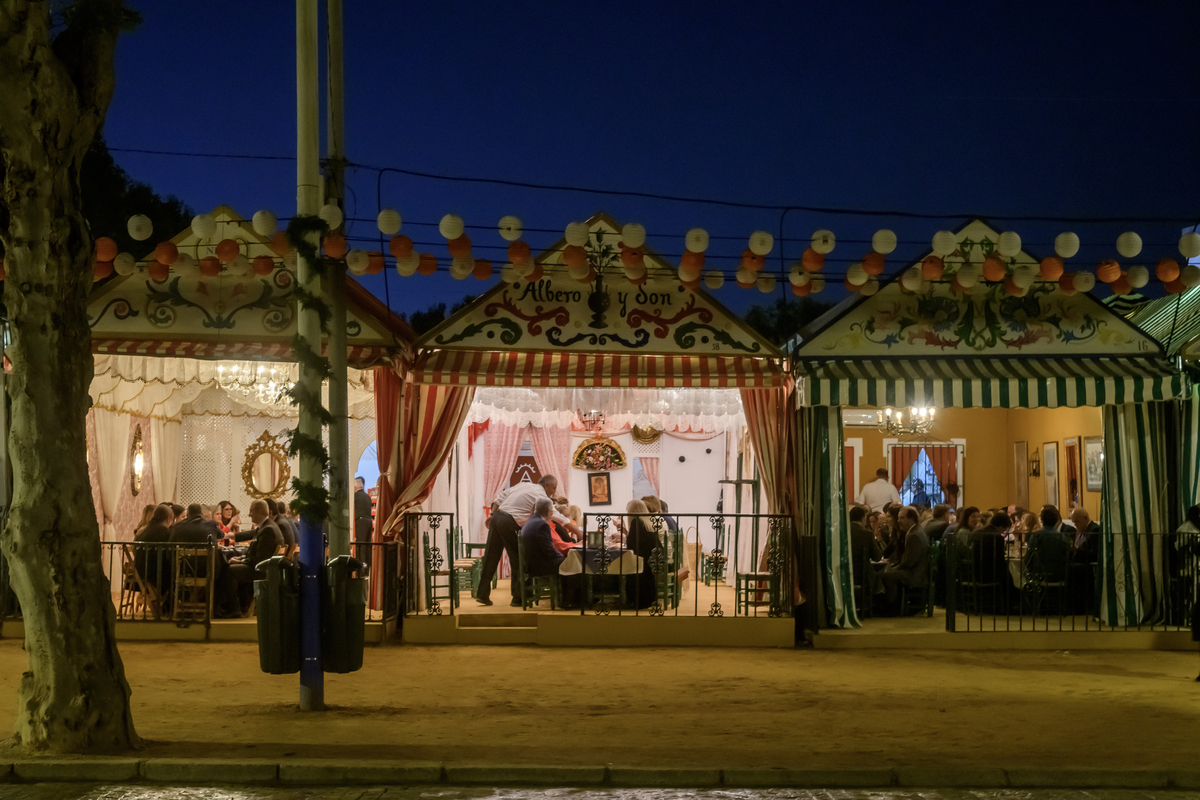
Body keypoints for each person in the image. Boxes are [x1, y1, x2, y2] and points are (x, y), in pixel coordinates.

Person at [476, 475, 580, 607]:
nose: (553, 492)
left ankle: (482, 594)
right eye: (553, 488)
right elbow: (561, 518)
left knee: (490, 556)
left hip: (498, 517)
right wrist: (580, 533)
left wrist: (492, 515)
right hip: (509, 522)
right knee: (518, 559)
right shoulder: (540, 495)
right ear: (546, 485)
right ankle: (517, 598)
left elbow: (499, 498)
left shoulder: (523, 485)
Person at [226, 500, 285, 613]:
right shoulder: (266, 526)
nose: (249, 514)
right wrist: (240, 559)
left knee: (229, 570)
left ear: (258, 511)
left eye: (251, 511)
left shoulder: (268, 529)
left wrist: (241, 561)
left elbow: (260, 559)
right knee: (232, 566)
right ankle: (242, 604)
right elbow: (255, 553)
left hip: (261, 570)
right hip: (263, 567)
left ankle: (232, 609)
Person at [879, 506, 929, 613]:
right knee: (888, 572)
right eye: (898, 518)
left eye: (902, 518)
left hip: (915, 575)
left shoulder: (914, 535)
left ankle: (893, 608)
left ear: (911, 519)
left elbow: (908, 562)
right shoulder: (914, 532)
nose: (898, 521)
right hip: (916, 571)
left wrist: (894, 569)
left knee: (886, 575)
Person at [517, 497, 565, 596]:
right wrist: (563, 558)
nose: (552, 513)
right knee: (570, 565)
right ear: (548, 511)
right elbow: (549, 552)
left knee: (566, 562)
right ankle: (568, 599)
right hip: (539, 566)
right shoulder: (542, 525)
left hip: (531, 564)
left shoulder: (530, 521)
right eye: (552, 510)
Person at [622, 499, 659, 609]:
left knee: (624, 567)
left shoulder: (636, 522)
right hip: (649, 558)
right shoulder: (647, 522)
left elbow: (631, 545)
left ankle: (630, 600)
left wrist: (625, 538)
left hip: (640, 559)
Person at [134, 505, 174, 604]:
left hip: (141, 570)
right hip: (154, 572)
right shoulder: (164, 532)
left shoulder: (145, 530)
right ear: (169, 517)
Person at [1025, 507, 1071, 583]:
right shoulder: (1063, 537)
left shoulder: (1036, 536)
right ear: (1056, 520)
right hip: (1059, 576)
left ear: (1042, 520)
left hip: (1039, 576)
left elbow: (1028, 559)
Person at [849, 505, 883, 601]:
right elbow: (877, 557)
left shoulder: (842, 533)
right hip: (862, 575)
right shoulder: (866, 534)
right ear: (863, 518)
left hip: (844, 573)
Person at [353, 476, 374, 568]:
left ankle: (361, 568)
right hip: (369, 521)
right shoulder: (367, 497)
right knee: (367, 545)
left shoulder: (355, 496)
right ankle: (368, 567)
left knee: (360, 546)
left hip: (360, 521)